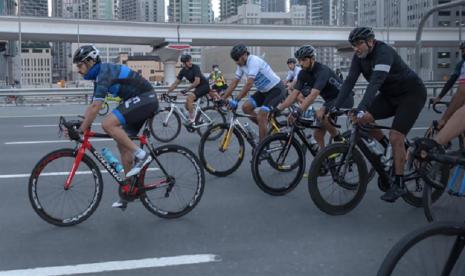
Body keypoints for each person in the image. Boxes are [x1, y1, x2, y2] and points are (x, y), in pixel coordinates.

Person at [331, 27, 427, 203]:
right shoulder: (359, 58)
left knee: (396, 136)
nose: (356, 48)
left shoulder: (384, 52)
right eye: (353, 45)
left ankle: (398, 184)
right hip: (390, 95)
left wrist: (360, 107)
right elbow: (349, 82)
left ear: (371, 41)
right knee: (363, 121)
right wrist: (335, 108)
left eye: (359, 43)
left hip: (411, 93)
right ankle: (388, 150)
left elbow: (376, 82)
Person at [72, 45, 158, 208]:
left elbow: (97, 108)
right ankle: (129, 190)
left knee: (107, 124)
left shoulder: (104, 72)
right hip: (137, 101)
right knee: (123, 145)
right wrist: (81, 123)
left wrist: (81, 130)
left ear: (90, 62)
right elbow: (92, 106)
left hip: (146, 98)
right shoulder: (98, 77)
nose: (78, 70)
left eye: (80, 65)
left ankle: (142, 155)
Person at [277, 45, 353, 149]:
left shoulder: (322, 71)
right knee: (317, 135)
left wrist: (298, 111)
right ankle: (325, 158)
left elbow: (313, 95)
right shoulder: (303, 73)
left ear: (312, 59)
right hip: (330, 100)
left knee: (320, 113)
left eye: (304, 60)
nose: (301, 63)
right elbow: (294, 94)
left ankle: (338, 137)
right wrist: (278, 109)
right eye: (299, 60)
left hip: (344, 98)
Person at [221, 43, 286, 143]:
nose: (236, 62)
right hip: (263, 91)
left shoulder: (253, 61)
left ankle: (262, 147)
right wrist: (223, 97)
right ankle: (265, 127)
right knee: (246, 108)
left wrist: (236, 100)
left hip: (276, 89)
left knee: (261, 115)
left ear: (244, 55)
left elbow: (249, 84)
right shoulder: (241, 64)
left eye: (237, 59)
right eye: (234, 60)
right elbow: (235, 82)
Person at [165, 54, 210, 124]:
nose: (190, 62)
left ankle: (192, 120)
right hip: (198, 88)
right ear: (184, 63)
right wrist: (167, 92)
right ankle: (199, 118)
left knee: (189, 98)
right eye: (188, 61)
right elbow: (175, 83)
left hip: (204, 86)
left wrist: (186, 90)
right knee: (187, 105)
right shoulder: (183, 71)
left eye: (191, 60)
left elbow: (197, 81)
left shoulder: (195, 67)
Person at [431, 42, 465, 129]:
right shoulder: (461, 64)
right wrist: (439, 97)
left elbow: (461, 93)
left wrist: (444, 119)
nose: (464, 52)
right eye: (463, 50)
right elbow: (451, 81)